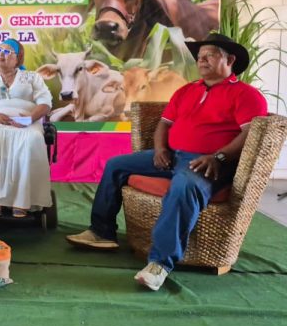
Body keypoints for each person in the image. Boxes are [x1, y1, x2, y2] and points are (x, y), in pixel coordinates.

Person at [66, 33, 268, 291]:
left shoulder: (246, 94)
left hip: (209, 162)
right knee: (116, 164)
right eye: (200, 56)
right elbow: (164, 124)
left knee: (184, 187)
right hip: (172, 155)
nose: (202, 60)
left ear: (230, 60)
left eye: (210, 55)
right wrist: (160, 149)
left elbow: (251, 133)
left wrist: (219, 156)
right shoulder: (187, 90)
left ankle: (160, 264)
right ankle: (101, 232)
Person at [0, 38, 53, 218]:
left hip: (25, 121)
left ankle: (22, 201)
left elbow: (45, 103)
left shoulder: (32, 77)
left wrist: (30, 118)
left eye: (7, 51)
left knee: (32, 139)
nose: (1, 54)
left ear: (18, 57)